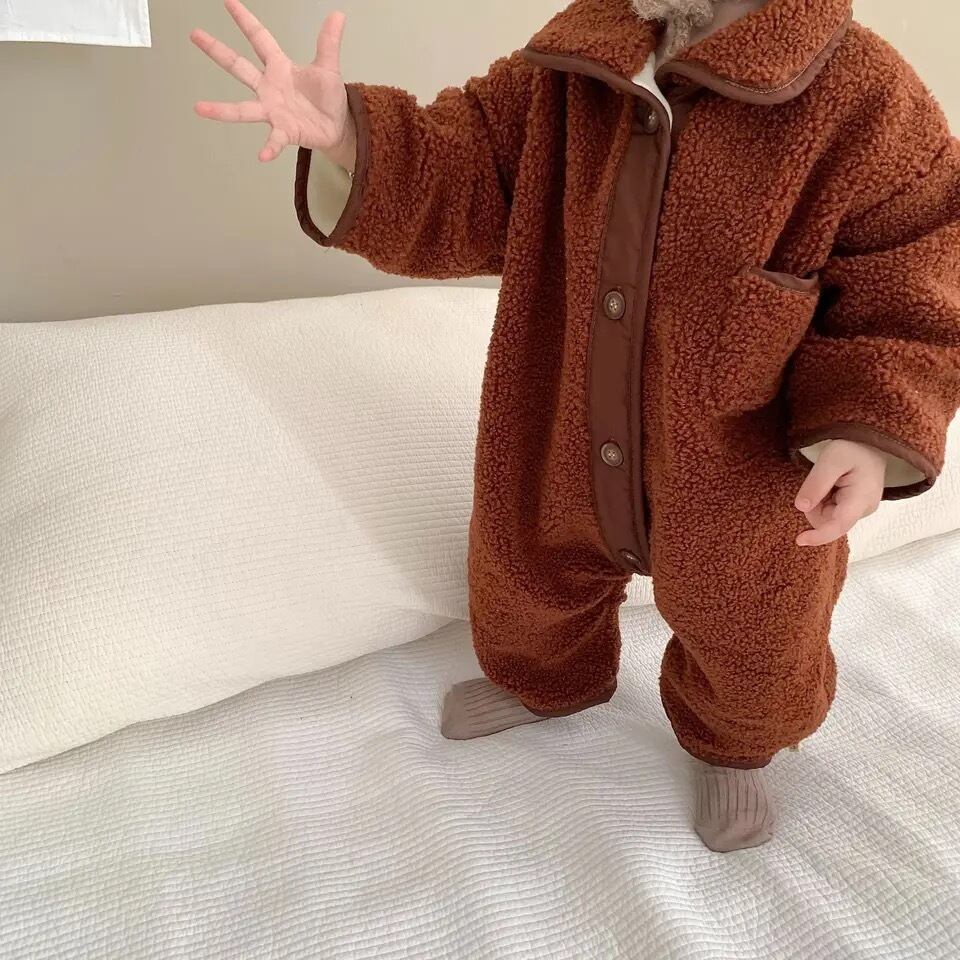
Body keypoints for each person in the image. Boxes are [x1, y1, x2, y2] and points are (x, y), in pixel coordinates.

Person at [190, 0, 960, 852]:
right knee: (526, 564)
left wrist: (867, 430)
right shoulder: (576, 59)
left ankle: (737, 743)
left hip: (742, 457)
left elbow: (915, 275)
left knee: (755, 620)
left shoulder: (864, 97)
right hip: (559, 409)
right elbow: (468, 169)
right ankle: (543, 681)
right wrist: (347, 135)